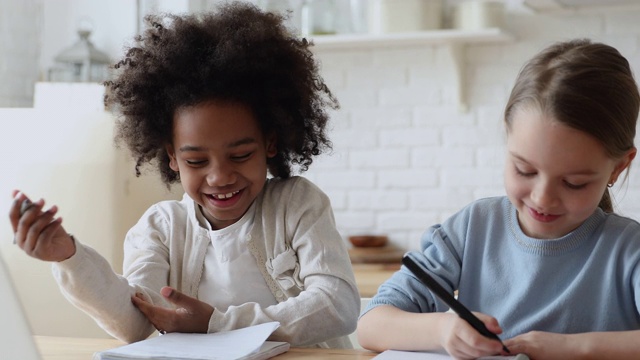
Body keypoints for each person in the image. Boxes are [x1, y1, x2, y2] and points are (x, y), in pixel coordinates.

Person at [9, 2, 359, 348]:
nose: (220, 176)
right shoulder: (161, 228)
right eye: (196, 161)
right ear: (172, 156)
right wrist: (68, 256)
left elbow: (337, 305)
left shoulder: (298, 205)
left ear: (270, 142)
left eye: (240, 155)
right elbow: (134, 323)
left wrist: (217, 325)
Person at [357, 38, 640, 359]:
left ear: (618, 167)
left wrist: (573, 348)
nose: (542, 198)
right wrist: (443, 330)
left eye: (574, 183)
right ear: (508, 138)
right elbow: (371, 324)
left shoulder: (629, 249)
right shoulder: (471, 228)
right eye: (524, 170)